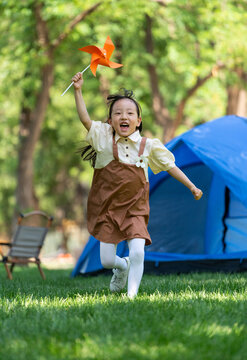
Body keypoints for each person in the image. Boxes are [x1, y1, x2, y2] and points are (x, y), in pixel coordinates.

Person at [72, 72, 203, 299]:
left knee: (138, 253)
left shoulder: (148, 145)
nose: (124, 116)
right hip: (107, 209)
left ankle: (131, 297)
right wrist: (78, 90)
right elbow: (85, 119)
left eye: (130, 113)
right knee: (105, 261)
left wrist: (191, 186)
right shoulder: (103, 138)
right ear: (111, 120)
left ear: (138, 121)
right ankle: (121, 266)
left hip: (135, 209)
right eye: (118, 113)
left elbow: (171, 166)